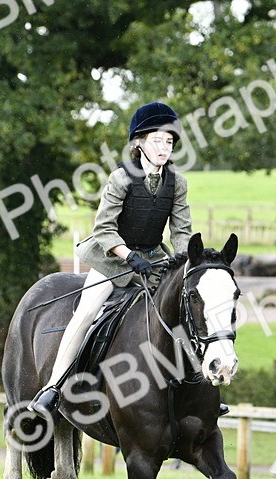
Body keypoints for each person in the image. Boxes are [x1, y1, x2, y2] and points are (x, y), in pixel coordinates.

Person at [29, 101, 194, 416]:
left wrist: (186, 264)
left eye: (169, 142)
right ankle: (53, 388)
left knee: (183, 305)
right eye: (157, 140)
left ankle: (194, 386)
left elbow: (182, 231)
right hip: (111, 257)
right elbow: (103, 229)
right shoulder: (120, 178)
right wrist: (129, 256)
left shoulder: (178, 183)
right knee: (87, 312)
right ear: (139, 143)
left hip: (153, 258)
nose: (164, 148)